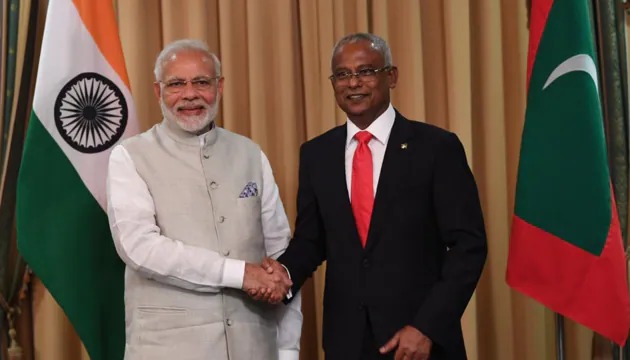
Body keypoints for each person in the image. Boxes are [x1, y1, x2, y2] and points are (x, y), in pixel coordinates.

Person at [251, 33, 487, 360]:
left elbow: (469, 247)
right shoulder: (317, 153)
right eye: (343, 74)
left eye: (365, 71)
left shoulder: (436, 148)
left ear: (391, 76)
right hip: (346, 341)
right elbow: (311, 239)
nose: (353, 83)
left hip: (419, 340)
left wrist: (428, 326)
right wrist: (282, 276)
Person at [106, 39, 302, 360]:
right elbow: (140, 248)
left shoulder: (249, 153)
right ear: (158, 92)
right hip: (169, 350)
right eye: (176, 84)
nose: (190, 94)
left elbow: (280, 255)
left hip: (255, 347)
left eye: (201, 82)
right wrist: (240, 273)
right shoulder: (130, 156)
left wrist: (288, 348)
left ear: (219, 86)